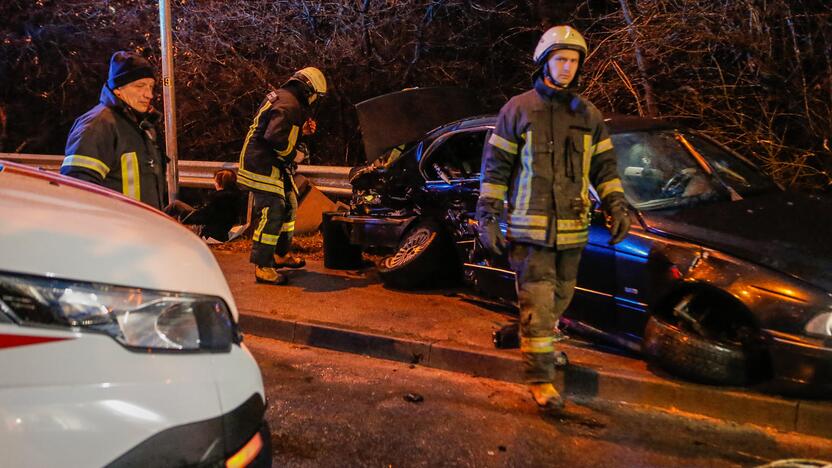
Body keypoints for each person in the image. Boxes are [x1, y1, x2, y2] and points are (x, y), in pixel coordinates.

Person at [477, 25, 630, 412]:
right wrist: (488, 218)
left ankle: (529, 335)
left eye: (573, 61)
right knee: (540, 303)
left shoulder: (588, 115)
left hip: (573, 231)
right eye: (560, 59)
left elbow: (605, 167)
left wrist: (616, 204)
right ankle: (540, 380)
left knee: (559, 299)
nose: (567, 67)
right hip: (530, 232)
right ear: (544, 62)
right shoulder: (518, 110)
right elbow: (495, 170)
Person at [237, 67, 326, 285]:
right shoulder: (290, 104)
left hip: (268, 162)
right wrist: (296, 155)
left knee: (290, 204)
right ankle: (263, 266)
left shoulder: (286, 99)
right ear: (309, 89)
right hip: (263, 165)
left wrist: (301, 132)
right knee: (274, 210)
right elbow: (275, 138)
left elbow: (278, 130)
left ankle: (280, 254)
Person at [62, 51, 166, 209]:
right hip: (116, 230)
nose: (149, 94)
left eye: (151, 86)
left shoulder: (143, 127)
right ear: (118, 89)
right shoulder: (97, 125)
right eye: (140, 86)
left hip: (141, 229)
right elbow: (78, 188)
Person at [165, 169, 244, 242]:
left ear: (220, 183)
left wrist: (185, 216)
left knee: (175, 205)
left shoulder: (218, 198)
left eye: (215, 181)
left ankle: (155, 223)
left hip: (207, 230)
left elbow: (203, 217)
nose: (215, 184)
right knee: (177, 205)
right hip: (221, 231)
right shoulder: (236, 197)